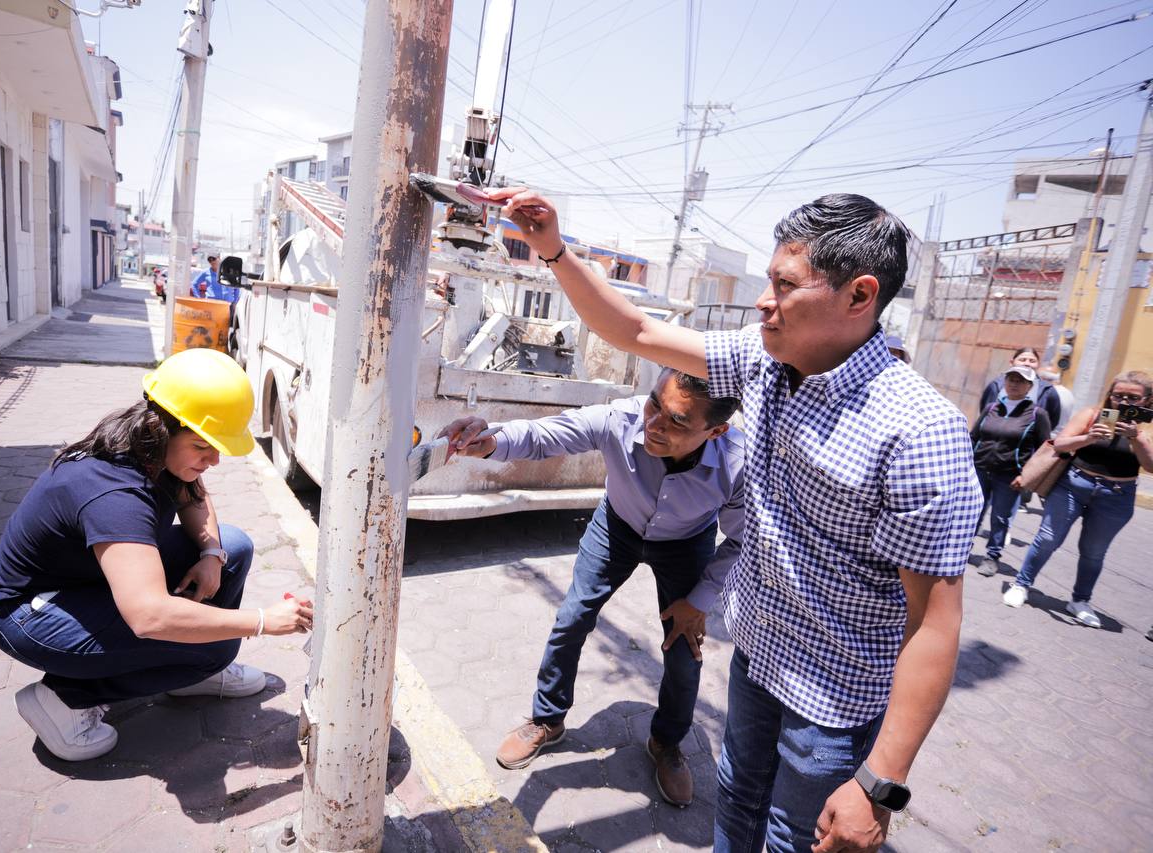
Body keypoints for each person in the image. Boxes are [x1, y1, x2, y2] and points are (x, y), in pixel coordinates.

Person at [486, 186, 981, 853]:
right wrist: (551, 247)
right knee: (737, 810)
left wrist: (878, 781)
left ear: (859, 296)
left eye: (784, 283)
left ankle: (678, 745)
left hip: (831, 701)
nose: (761, 298)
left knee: (790, 838)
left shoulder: (920, 432)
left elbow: (935, 623)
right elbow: (635, 330)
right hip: (757, 660)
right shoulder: (765, 361)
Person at [0, 348, 314, 762]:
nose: (215, 459)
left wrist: (210, 553)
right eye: (202, 446)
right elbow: (150, 616)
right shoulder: (113, 492)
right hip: (29, 615)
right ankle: (63, 699)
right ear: (162, 428)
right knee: (212, 648)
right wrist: (262, 623)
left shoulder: (148, 449)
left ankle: (191, 672)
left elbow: (194, 494)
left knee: (234, 545)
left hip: (83, 583)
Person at [440, 369, 746, 807]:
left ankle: (666, 743)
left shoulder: (739, 464)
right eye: (654, 403)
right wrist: (490, 440)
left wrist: (698, 601)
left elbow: (741, 538)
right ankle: (547, 719)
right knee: (573, 618)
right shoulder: (621, 419)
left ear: (716, 431)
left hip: (686, 542)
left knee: (685, 649)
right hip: (616, 527)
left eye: (677, 421)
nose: (654, 423)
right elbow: (547, 436)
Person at [1003, 371, 1153, 627]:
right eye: (1118, 395)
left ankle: (1080, 601)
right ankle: (1022, 584)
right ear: (1110, 395)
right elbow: (1060, 443)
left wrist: (1136, 437)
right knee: (1048, 537)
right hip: (1074, 485)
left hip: (1116, 496)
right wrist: (1089, 437)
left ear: (1147, 401)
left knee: (1094, 552)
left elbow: (1150, 466)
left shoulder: (1146, 426)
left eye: (1133, 398)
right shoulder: (1093, 414)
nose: (1124, 402)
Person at [970, 365, 1051, 577]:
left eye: (1020, 381)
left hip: (1009, 475)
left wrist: (1027, 476)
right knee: (971, 512)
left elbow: (1045, 450)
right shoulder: (991, 408)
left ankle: (992, 556)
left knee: (1001, 517)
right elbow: (973, 437)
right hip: (979, 469)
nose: (1014, 383)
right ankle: (961, 549)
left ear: (1029, 386)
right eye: (1011, 379)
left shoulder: (1036, 414)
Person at [979, 347, 1061, 432]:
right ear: (1012, 362)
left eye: (1032, 361)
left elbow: (1052, 420)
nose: (1027, 364)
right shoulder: (996, 385)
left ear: (1038, 364)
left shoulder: (1047, 390)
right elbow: (985, 413)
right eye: (1022, 360)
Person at [1037, 368, 1075, 437]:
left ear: (1043, 379)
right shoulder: (1068, 392)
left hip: (1046, 434)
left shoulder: (1048, 392)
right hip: (1060, 435)